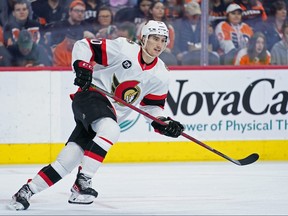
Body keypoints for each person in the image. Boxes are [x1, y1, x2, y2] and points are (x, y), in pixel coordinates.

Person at [9, 20, 184, 211]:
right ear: (144, 38)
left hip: (105, 115)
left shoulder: (161, 74)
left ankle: (27, 191)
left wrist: (165, 123)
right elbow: (83, 45)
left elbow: (152, 107)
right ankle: (83, 181)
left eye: (163, 40)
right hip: (91, 96)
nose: (158, 44)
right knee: (111, 129)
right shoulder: (124, 49)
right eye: (154, 39)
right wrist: (82, 67)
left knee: (69, 159)